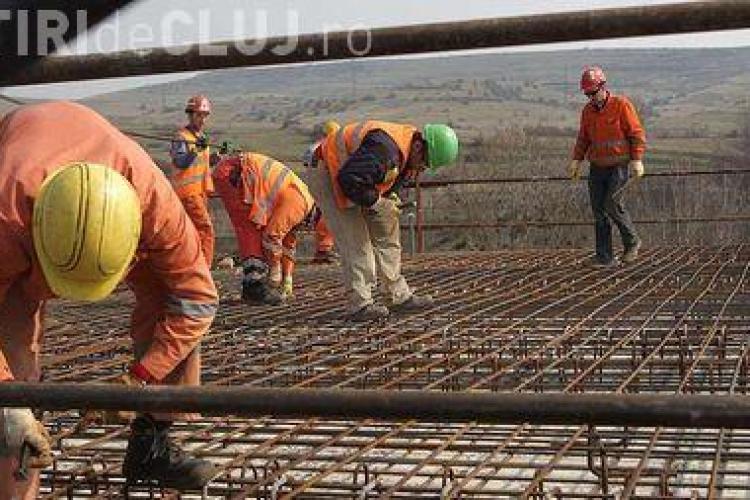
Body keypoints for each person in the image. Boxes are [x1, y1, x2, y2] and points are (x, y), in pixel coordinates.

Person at [0, 101, 219, 497]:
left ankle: (153, 440)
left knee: (171, 301)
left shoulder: (157, 208)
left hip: (104, 195)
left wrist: (142, 378)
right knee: (14, 355)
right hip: (24, 184)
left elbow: (197, 298)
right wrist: (10, 400)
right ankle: (14, 470)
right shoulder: (7, 212)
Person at [306, 120, 458, 321]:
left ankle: (397, 295)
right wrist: (376, 202)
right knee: (357, 241)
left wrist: (389, 201)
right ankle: (359, 304)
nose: (422, 169)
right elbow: (349, 179)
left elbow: (388, 177)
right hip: (328, 171)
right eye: (424, 163)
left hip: (360, 178)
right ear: (419, 146)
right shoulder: (384, 149)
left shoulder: (406, 151)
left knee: (388, 230)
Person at [213, 151, 317, 304]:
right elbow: (272, 237)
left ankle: (253, 286)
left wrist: (287, 277)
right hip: (234, 174)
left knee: (256, 230)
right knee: (250, 229)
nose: (303, 231)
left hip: (238, 173)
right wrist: (275, 271)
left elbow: (287, 244)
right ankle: (254, 287)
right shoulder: (300, 205)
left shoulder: (301, 202)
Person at [568, 66, 646, 266]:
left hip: (619, 166)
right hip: (597, 166)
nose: (590, 97)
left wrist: (636, 159)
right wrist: (577, 160)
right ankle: (604, 257)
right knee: (598, 211)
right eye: (587, 94)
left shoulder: (622, 105)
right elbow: (583, 138)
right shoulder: (588, 112)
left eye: (593, 92)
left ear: (603, 87)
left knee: (612, 204)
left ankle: (632, 242)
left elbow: (636, 134)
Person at [168, 94, 216, 267]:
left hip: (200, 193)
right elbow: (180, 162)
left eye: (204, 115)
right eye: (198, 115)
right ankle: (204, 270)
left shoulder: (200, 138)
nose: (202, 119)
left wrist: (216, 158)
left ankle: (190, 268)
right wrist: (196, 150)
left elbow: (201, 164)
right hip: (189, 193)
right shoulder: (182, 137)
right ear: (190, 115)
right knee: (205, 230)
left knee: (192, 233)